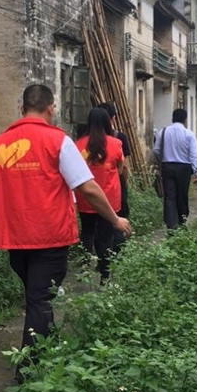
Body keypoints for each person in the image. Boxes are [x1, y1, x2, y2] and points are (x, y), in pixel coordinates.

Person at [0, 85, 132, 375]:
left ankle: (49, 351)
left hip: (15, 240)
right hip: (50, 236)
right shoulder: (58, 141)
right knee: (40, 301)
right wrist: (114, 219)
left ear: (22, 110)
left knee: (37, 297)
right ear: (51, 108)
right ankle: (28, 372)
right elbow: (88, 188)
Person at [75, 108, 125, 283]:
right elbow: (121, 168)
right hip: (108, 198)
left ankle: (84, 267)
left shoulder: (79, 145)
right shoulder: (116, 144)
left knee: (87, 231)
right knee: (105, 236)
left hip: (86, 196)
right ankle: (104, 275)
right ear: (107, 122)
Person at [153, 108, 197, 229]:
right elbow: (194, 154)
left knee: (169, 196)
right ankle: (181, 221)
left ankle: (171, 224)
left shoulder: (163, 132)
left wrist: (164, 158)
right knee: (182, 195)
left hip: (167, 167)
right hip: (184, 168)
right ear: (185, 120)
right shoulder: (189, 134)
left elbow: (156, 150)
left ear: (172, 119)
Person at [97, 103, 131, 244]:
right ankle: (116, 248)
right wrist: (124, 181)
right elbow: (125, 166)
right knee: (119, 216)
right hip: (115, 187)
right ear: (113, 118)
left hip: (94, 188)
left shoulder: (86, 140)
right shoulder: (119, 138)